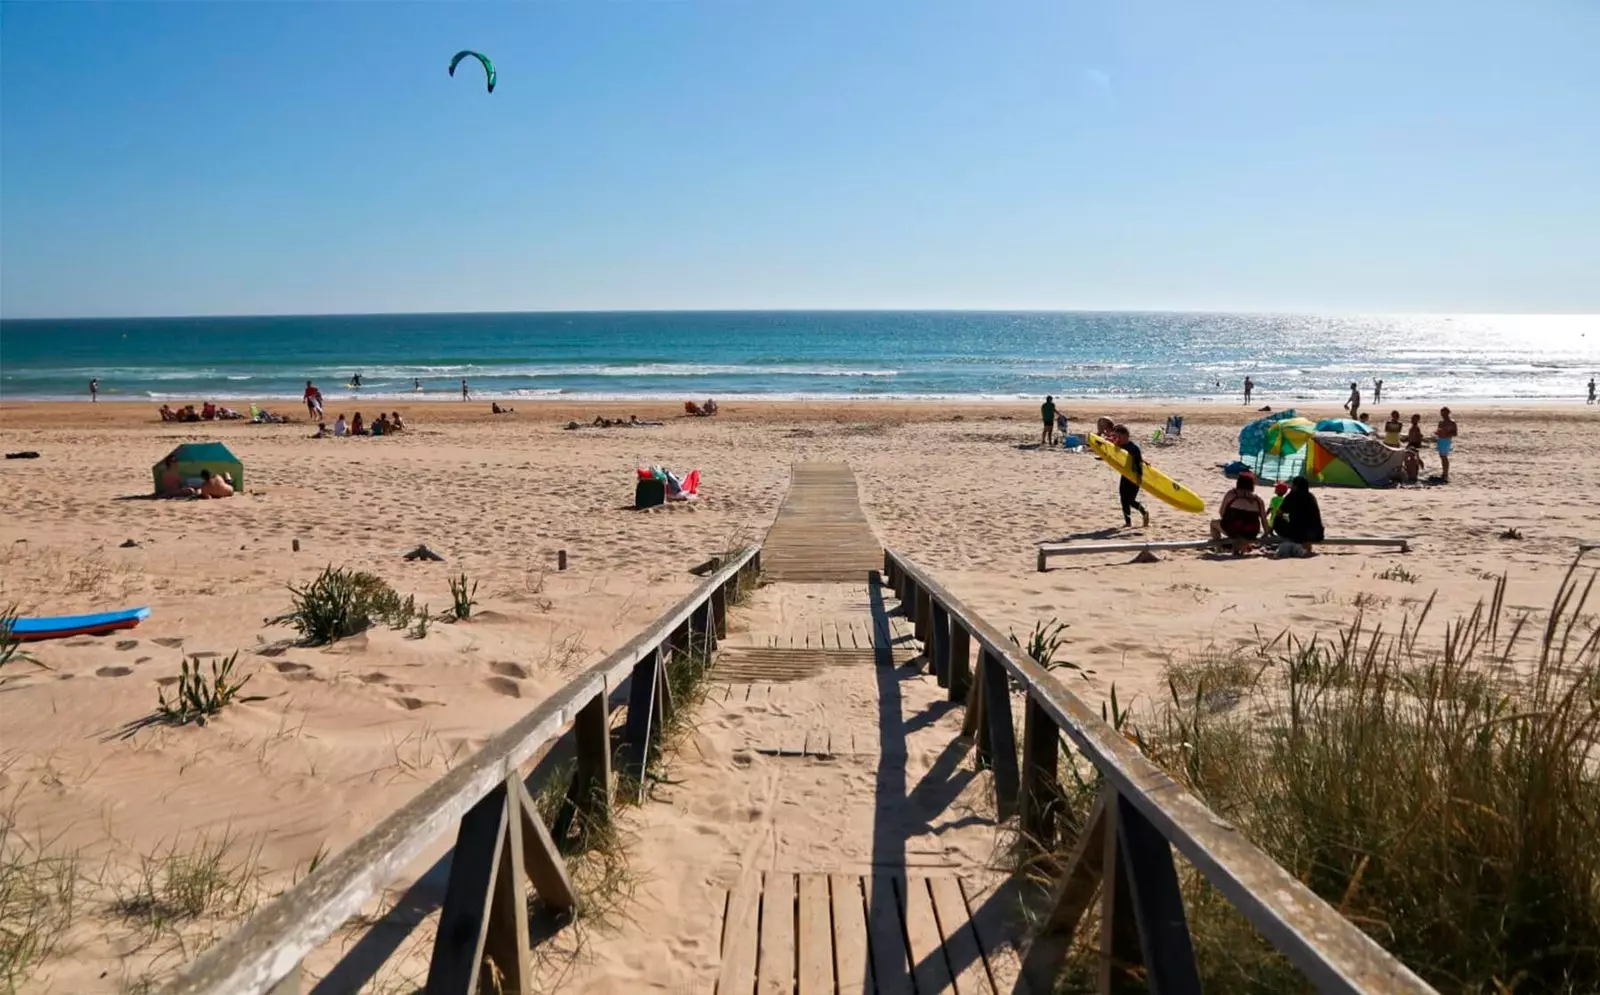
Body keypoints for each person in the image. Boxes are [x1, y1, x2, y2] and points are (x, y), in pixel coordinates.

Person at [1209, 472, 1270, 549]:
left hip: (1233, 530)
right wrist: (1265, 535)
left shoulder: (1231, 494)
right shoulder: (1258, 500)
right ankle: (1243, 546)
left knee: (1213, 523)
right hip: (1251, 533)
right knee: (1242, 528)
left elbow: (1221, 513)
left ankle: (1218, 549)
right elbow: (1264, 521)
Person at [1272, 476, 1324, 555]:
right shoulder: (1311, 497)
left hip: (1298, 533)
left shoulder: (1292, 496)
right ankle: (1304, 546)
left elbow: (1279, 512)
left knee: (1277, 520)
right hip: (1316, 533)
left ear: (1295, 486)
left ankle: (1295, 544)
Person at [1110, 424, 1150, 528]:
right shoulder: (1119, 446)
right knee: (1123, 500)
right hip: (1125, 476)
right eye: (1117, 436)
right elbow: (1112, 455)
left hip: (1134, 476)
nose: (1118, 438)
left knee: (1130, 500)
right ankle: (1128, 522)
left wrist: (1139, 478)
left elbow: (1138, 463)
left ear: (1126, 435)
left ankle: (1144, 512)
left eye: (1119, 436)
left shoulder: (1133, 448)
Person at [1434, 407, 1458, 482]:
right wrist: (1437, 433)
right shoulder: (1441, 422)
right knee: (1442, 457)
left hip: (1446, 440)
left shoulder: (1452, 422)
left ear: (1448, 413)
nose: (1443, 415)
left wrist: (1447, 433)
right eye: (1442, 413)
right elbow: (1438, 431)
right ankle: (1444, 472)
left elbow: (1455, 433)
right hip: (1440, 440)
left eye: (1444, 413)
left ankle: (1446, 473)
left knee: (1444, 457)